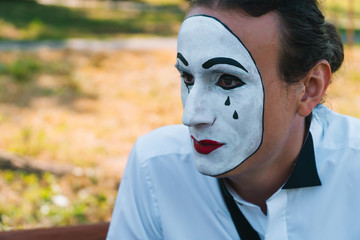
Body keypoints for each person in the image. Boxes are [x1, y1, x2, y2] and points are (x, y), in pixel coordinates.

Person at [107, 0, 360, 239]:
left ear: (309, 88)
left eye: (227, 81)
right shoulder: (157, 168)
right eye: (187, 78)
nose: (191, 116)